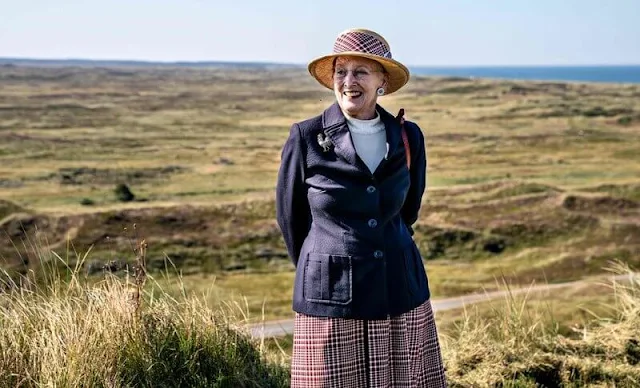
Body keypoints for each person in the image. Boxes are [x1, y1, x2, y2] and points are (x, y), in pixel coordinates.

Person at [275, 28, 447, 387]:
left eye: (361, 72)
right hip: (331, 296)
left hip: (399, 289)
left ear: (382, 80)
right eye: (341, 71)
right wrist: (325, 262)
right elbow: (291, 219)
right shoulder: (305, 137)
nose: (348, 81)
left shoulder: (408, 135)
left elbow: (408, 210)